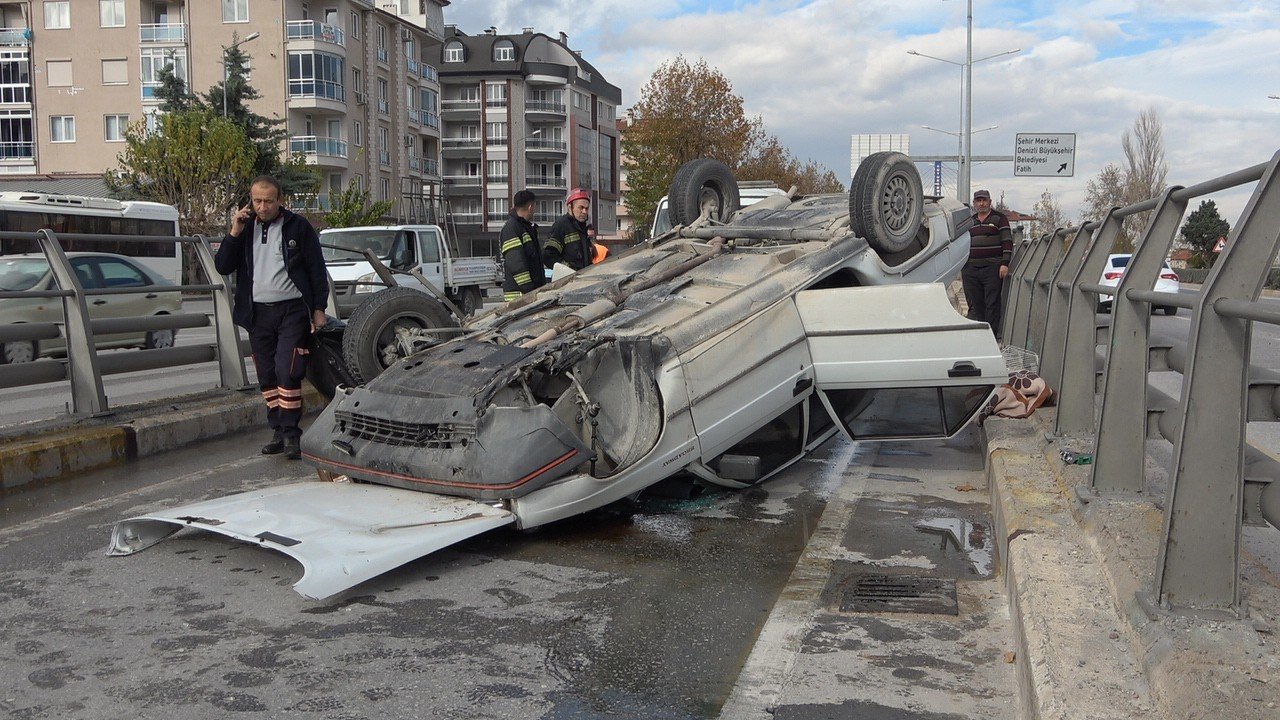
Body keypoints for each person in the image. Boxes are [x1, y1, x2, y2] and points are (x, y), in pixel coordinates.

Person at [214, 175, 329, 460]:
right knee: (266, 375)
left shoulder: (297, 227)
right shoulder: (245, 228)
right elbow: (223, 266)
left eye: (268, 201)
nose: (262, 207)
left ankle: (292, 435)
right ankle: (278, 430)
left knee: (286, 370)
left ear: (280, 201)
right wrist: (234, 232)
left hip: (291, 310)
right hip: (257, 313)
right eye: (257, 201)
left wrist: (318, 310)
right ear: (250, 201)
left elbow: (316, 268)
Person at [962, 189, 1012, 340]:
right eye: (978, 201)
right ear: (974, 204)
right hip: (971, 269)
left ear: (990, 202)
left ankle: (991, 336)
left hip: (993, 268)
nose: (981, 203)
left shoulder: (999, 218)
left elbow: (1007, 241)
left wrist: (1005, 263)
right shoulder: (970, 221)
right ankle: (980, 335)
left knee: (992, 303)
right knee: (976, 304)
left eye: (984, 200)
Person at [500, 189, 544, 302]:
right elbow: (516, 263)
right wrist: (529, 291)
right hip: (519, 296)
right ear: (530, 206)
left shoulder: (524, 228)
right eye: (534, 207)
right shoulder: (513, 228)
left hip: (525, 293)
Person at [543, 188, 595, 271]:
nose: (585, 211)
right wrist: (568, 270)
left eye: (586, 208)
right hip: (568, 280)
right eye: (581, 208)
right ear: (570, 208)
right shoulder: (561, 225)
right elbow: (549, 256)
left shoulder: (582, 228)